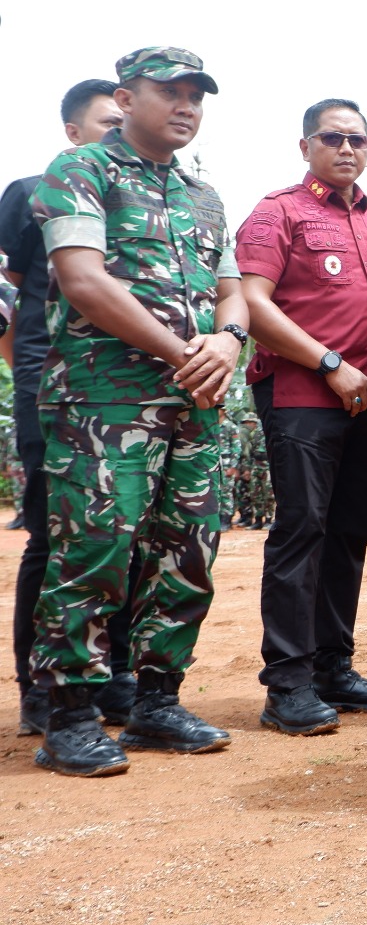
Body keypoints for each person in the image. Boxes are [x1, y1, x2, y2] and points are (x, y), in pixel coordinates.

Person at [29, 47, 242, 775]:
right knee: (95, 550)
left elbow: (231, 289)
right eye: (169, 91)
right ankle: (70, 715)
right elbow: (83, 282)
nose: (186, 106)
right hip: (104, 400)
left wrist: (228, 339)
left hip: (195, 404)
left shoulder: (203, 195)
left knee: (189, 552)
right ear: (125, 98)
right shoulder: (81, 171)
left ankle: (157, 702)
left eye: (196, 96)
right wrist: (184, 352)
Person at [236, 98, 367, 737]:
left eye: (358, 139)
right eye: (333, 138)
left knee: (349, 534)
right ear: (305, 145)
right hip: (303, 395)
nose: (346, 148)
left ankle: (333, 668)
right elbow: (253, 304)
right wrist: (330, 362)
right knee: (302, 531)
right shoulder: (277, 212)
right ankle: (288, 683)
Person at [1, 79, 134, 735]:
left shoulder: (144, 201)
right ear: (73, 132)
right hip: (52, 388)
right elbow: (13, 293)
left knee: (128, 534)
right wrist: (29, 376)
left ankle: (114, 677)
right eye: (108, 123)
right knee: (54, 534)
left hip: (128, 390)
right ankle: (40, 686)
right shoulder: (32, 192)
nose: (119, 133)